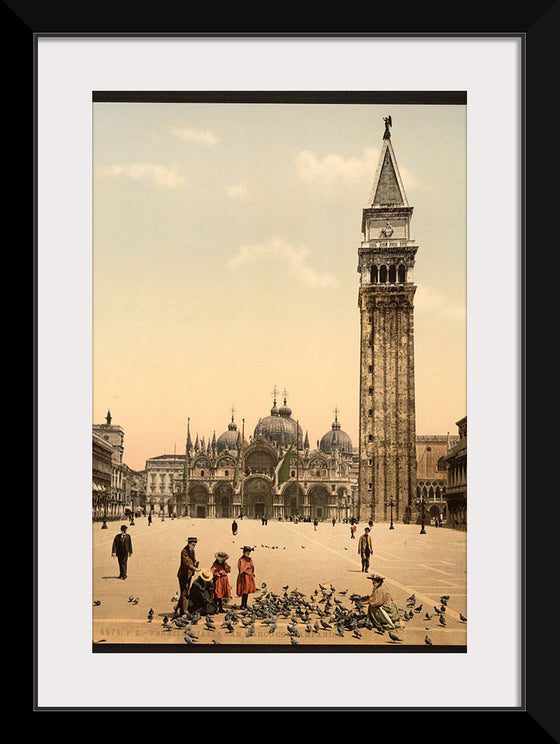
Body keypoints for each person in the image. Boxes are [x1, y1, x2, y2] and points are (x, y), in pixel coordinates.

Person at [176, 537, 200, 616]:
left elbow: (192, 560)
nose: (194, 546)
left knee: (184, 591)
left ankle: (178, 608)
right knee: (185, 592)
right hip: (183, 575)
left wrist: (195, 562)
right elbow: (186, 562)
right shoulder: (184, 551)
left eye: (195, 544)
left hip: (189, 574)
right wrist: (194, 568)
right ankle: (185, 610)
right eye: (193, 544)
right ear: (189, 543)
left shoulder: (192, 550)